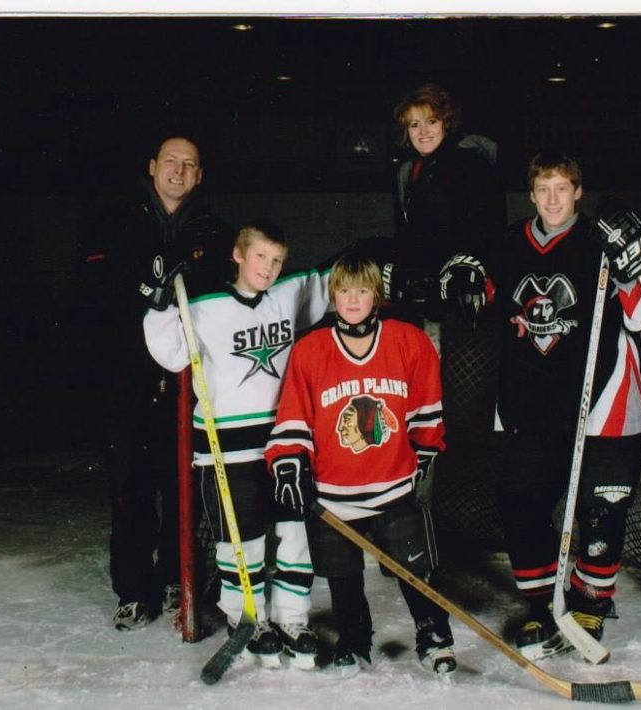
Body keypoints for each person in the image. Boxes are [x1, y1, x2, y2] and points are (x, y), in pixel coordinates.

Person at [439, 150, 641, 661]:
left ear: (578, 191)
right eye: (543, 189)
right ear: (531, 193)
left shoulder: (601, 241)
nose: (553, 199)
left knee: (602, 510)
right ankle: (545, 603)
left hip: (604, 400)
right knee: (518, 499)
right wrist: (462, 277)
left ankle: (590, 603)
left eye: (563, 188)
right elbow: (477, 288)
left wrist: (633, 262)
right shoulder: (511, 243)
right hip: (535, 405)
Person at [143, 221, 331, 668]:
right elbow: (168, 353)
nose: (269, 268)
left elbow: (337, 283)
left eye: (277, 260)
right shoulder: (204, 307)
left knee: (294, 535)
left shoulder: (288, 294)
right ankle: (246, 618)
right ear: (238, 255)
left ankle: (291, 618)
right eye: (260, 257)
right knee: (240, 541)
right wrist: (161, 303)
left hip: (283, 446)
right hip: (225, 449)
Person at [263, 251, 456, 677]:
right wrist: (290, 462)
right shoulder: (311, 350)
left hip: (393, 485)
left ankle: (433, 633)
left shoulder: (409, 340)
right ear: (333, 296)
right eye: (345, 290)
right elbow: (294, 415)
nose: (353, 299)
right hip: (334, 493)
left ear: (377, 296)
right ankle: (355, 638)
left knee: (415, 568)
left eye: (362, 290)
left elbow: (426, 408)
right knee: (343, 577)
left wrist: (424, 451)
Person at [78, 135, 231, 631]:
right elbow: (92, 288)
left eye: (190, 163)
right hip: (127, 379)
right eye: (171, 161)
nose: (179, 170)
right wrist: (140, 290)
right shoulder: (118, 219)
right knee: (129, 486)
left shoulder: (212, 227)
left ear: (200, 175)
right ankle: (132, 589)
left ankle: (175, 578)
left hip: (185, 383)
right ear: (152, 167)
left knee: (181, 482)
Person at [389, 83, 505, 330]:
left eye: (431, 121)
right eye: (414, 124)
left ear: (445, 123)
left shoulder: (468, 163)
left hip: (459, 297)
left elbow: (484, 230)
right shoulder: (412, 170)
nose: (423, 132)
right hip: (424, 297)